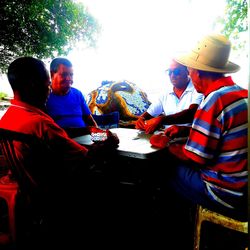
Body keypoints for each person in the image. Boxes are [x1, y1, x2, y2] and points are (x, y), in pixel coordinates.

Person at [0, 56, 119, 248]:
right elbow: (86, 158)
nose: (48, 90)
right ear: (33, 85)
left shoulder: (7, 118)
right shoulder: (42, 124)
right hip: (53, 189)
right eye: (47, 84)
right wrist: (108, 142)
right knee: (109, 175)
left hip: (28, 181)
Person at [163, 34, 248, 217]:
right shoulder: (242, 94)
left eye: (190, 71)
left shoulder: (214, 100)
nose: (190, 75)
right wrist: (187, 131)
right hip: (244, 189)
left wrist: (167, 146)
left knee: (166, 170)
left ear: (198, 72)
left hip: (228, 194)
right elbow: (223, 134)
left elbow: (194, 158)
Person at [135, 59, 203, 134]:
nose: (172, 75)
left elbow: (191, 114)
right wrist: (142, 119)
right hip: (169, 137)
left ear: (187, 72)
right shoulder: (165, 93)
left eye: (177, 72)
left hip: (191, 136)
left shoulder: (198, 89)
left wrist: (161, 120)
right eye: (170, 72)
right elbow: (150, 113)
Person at [46, 57, 97, 137]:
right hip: (63, 144)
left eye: (71, 75)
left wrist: (101, 137)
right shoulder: (44, 96)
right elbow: (49, 132)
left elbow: (90, 121)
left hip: (86, 140)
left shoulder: (77, 94)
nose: (69, 79)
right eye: (64, 74)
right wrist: (88, 130)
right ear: (52, 74)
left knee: (112, 142)